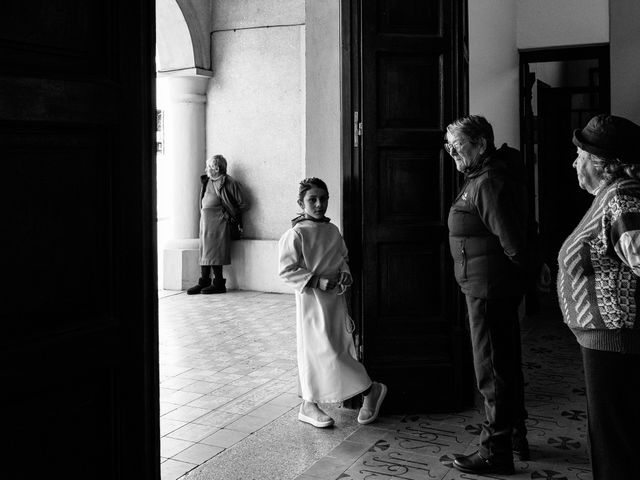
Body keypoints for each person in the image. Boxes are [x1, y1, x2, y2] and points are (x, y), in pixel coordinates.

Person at [557, 114, 640, 480]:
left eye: (580, 155)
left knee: (615, 446)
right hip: (607, 340)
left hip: (617, 340)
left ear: (602, 164)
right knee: (610, 439)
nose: (575, 163)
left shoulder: (622, 199)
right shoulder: (610, 196)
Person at [446, 115, 529, 475]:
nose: (452, 152)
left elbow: (513, 242)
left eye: (457, 144)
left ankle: (496, 450)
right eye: (447, 145)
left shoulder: (487, 181)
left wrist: (509, 282)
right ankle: (513, 435)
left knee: (492, 370)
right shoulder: (482, 176)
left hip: (489, 289)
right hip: (487, 287)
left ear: (481, 143)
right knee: (504, 365)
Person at [278, 177, 387, 428]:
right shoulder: (296, 234)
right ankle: (312, 403)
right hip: (311, 302)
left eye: (323, 199)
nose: (319, 204)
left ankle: (368, 391)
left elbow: (342, 258)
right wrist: (315, 281)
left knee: (337, 347)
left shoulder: (332, 231)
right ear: (301, 202)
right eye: (312, 200)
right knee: (317, 350)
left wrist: (344, 273)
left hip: (335, 300)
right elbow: (286, 270)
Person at [187, 154, 249, 295]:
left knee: (215, 252)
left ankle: (219, 284)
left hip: (219, 223)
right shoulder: (207, 181)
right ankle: (204, 282)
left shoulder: (229, 182)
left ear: (217, 168)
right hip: (206, 222)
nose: (207, 169)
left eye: (209, 166)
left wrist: (227, 215)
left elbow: (244, 204)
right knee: (204, 252)